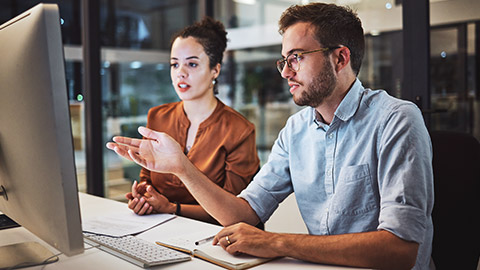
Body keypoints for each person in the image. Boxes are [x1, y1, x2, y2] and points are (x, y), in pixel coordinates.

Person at [107, 3, 434, 270]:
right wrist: (181, 167)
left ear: (340, 58)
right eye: (284, 60)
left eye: (297, 58)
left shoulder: (396, 120)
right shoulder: (296, 130)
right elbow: (244, 213)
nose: (286, 72)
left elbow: (400, 249)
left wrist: (277, 242)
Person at [107, 17, 260, 224]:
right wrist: (145, 196)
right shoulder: (158, 117)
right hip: (159, 230)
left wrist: (171, 208)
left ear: (215, 70)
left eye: (192, 64)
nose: (181, 73)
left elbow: (236, 211)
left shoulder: (239, 130)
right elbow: (148, 177)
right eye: (174, 64)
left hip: (212, 239)